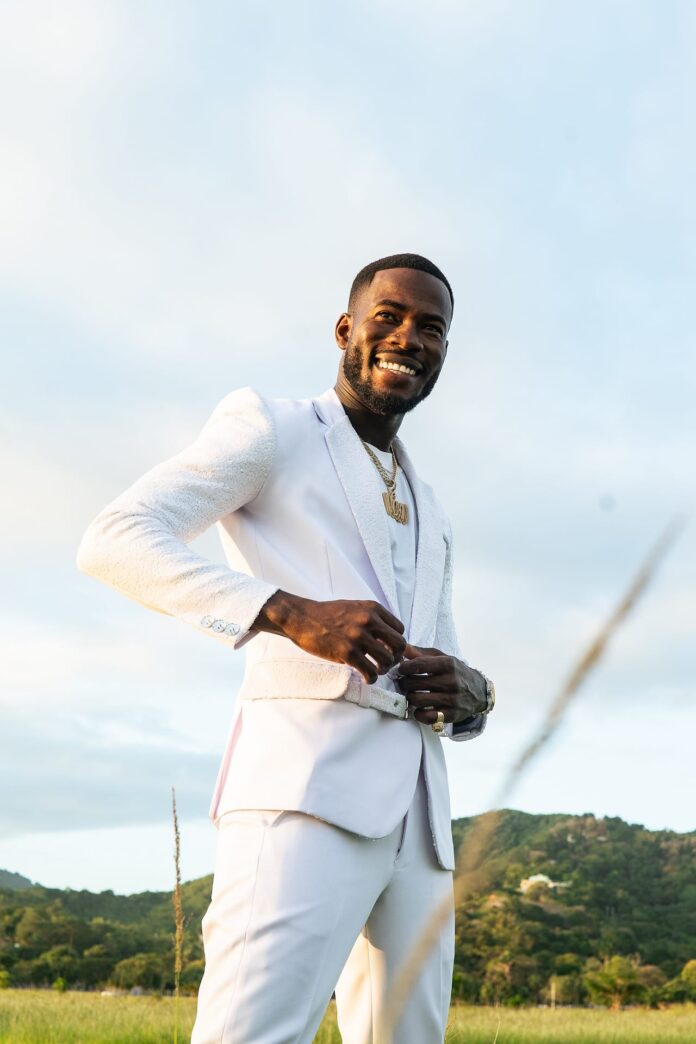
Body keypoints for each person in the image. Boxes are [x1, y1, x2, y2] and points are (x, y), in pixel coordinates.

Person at [77, 252, 495, 1043]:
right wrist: (286, 611)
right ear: (345, 330)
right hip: (303, 795)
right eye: (389, 317)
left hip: (421, 825)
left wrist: (476, 697)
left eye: (431, 328)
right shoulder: (272, 428)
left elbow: (442, 659)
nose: (408, 337)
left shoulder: (433, 506)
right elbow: (116, 539)